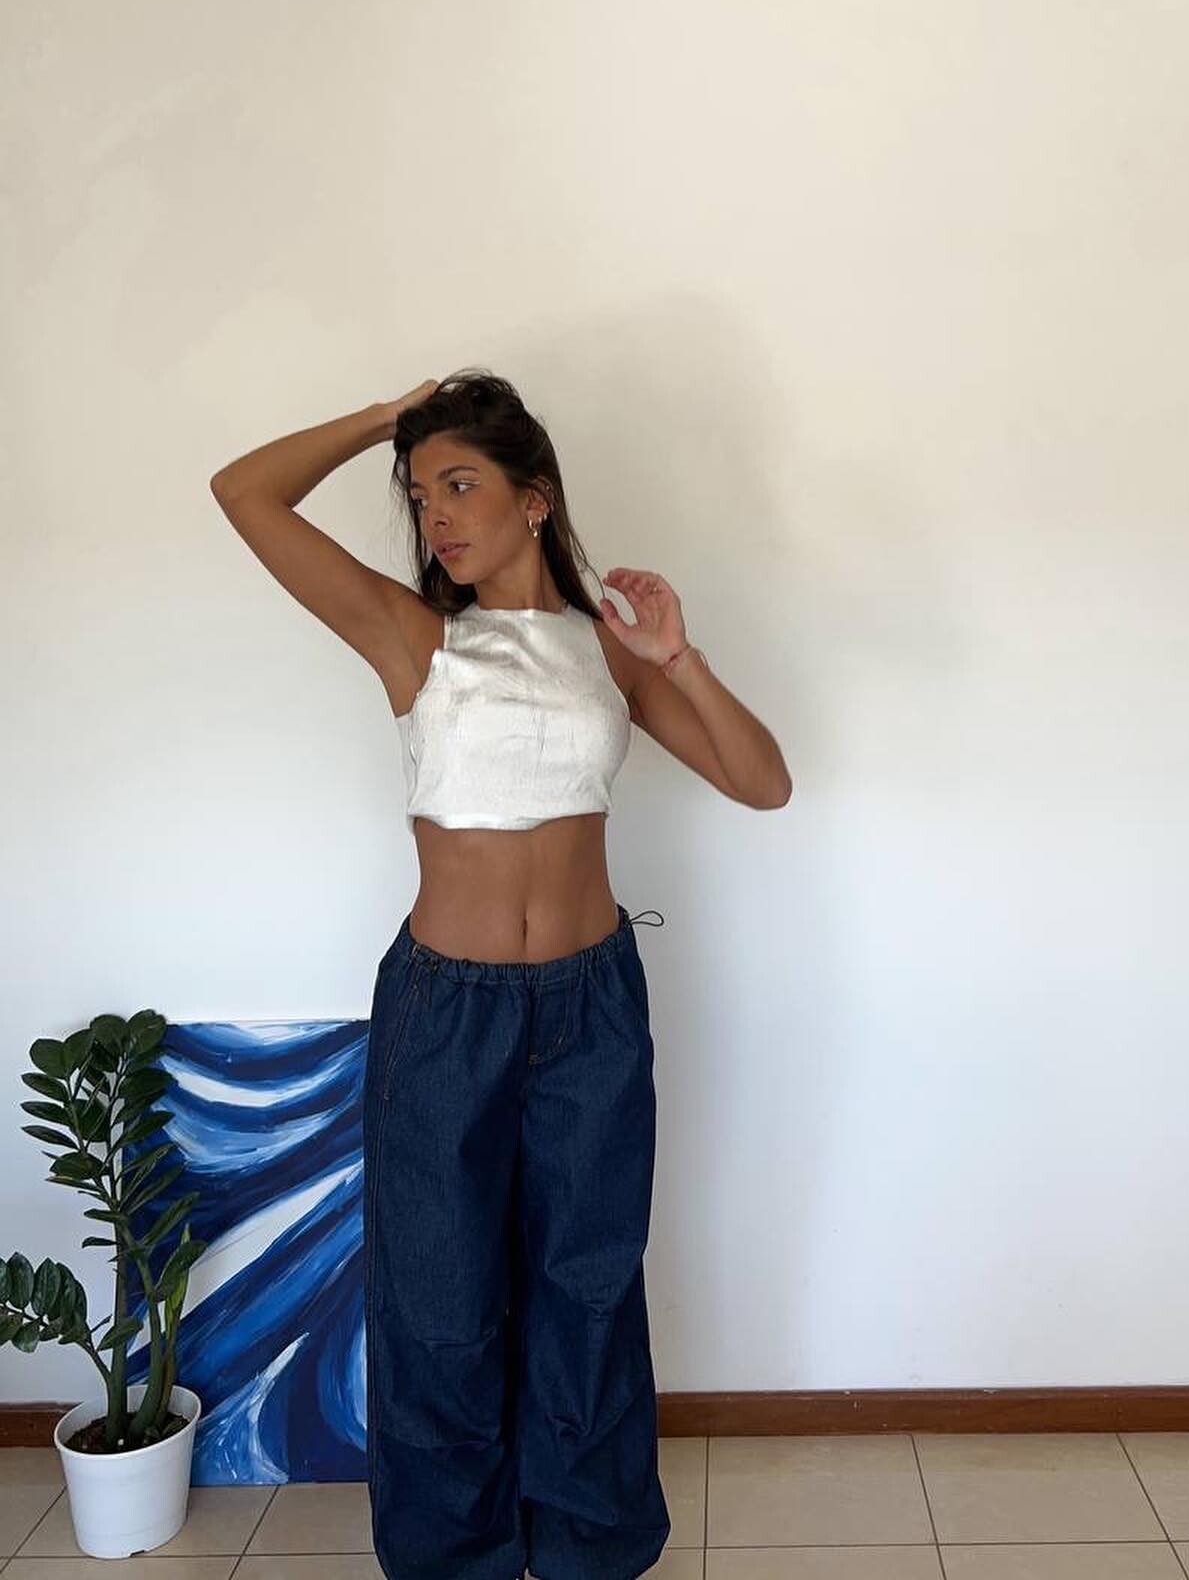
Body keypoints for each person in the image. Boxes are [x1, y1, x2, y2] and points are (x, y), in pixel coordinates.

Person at [209, 366, 792, 1580]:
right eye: (420, 497)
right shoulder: (415, 636)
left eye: (462, 485)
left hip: (591, 1006)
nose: (437, 516)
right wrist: (391, 418)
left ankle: (586, 1545)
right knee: (439, 1298)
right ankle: (454, 1555)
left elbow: (762, 781)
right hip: (446, 1012)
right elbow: (245, 492)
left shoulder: (607, 651)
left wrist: (677, 657)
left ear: (537, 499)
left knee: (588, 1286)